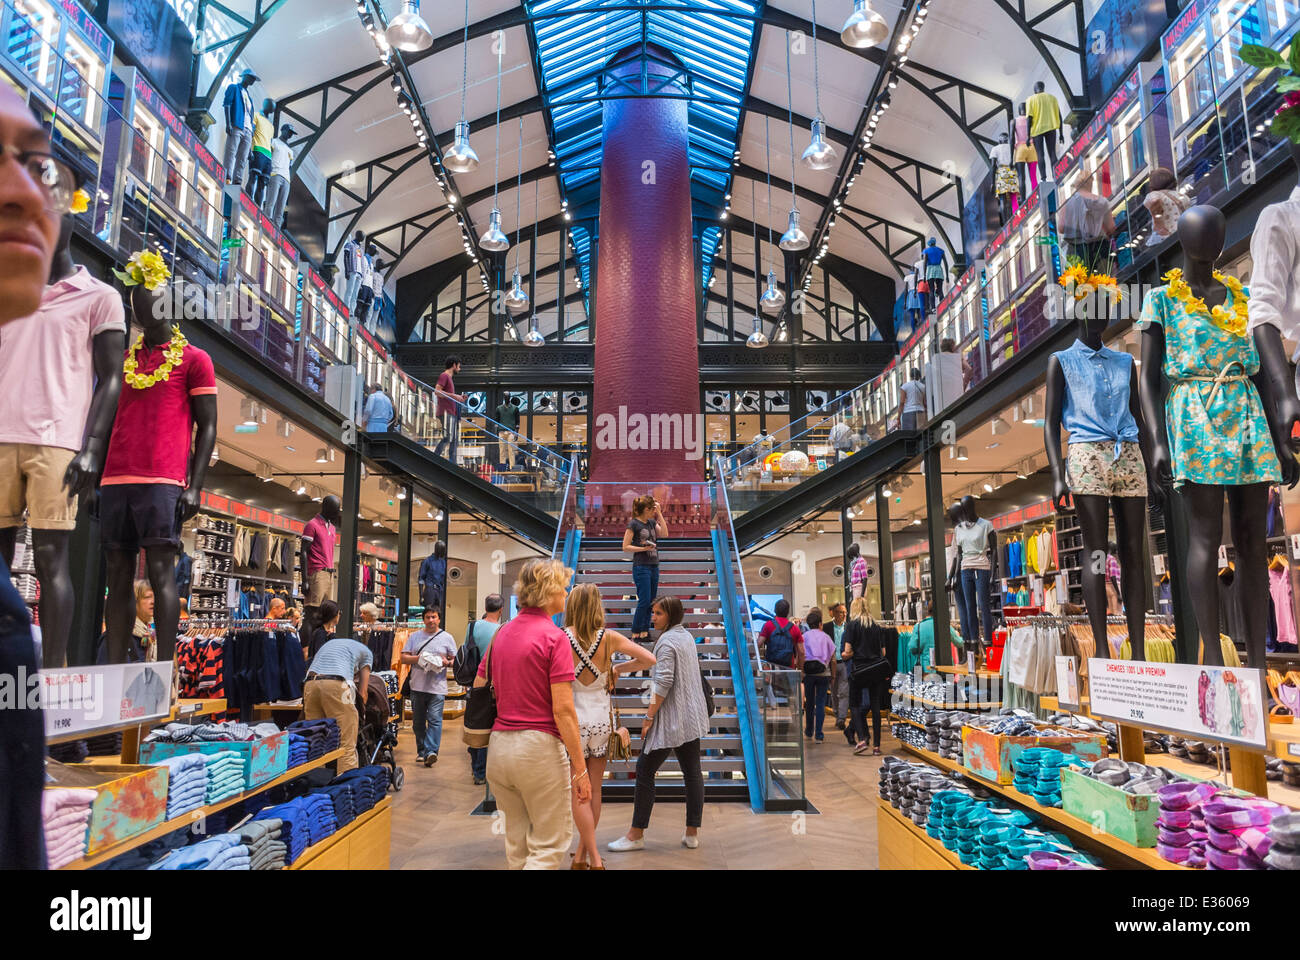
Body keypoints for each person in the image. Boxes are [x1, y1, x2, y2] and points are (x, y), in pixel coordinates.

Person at [474, 559, 589, 870]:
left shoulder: (501, 635)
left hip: (500, 748)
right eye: (562, 587)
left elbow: (479, 684)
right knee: (549, 846)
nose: (566, 593)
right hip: (538, 750)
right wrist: (580, 769)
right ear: (547, 591)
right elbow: (563, 710)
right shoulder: (555, 638)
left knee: (518, 845)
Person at [564, 583, 657, 870]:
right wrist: (617, 669)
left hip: (573, 720)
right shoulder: (609, 638)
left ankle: (585, 856)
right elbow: (649, 658)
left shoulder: (561, 638)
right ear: (597, 606)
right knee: (595, 788)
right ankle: (587, 855)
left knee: (577, 789)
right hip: (602, 722)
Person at [608, 596, 710, 853]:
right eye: (653, 612)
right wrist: (619, 668)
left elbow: (663, 682)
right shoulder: (684, 636)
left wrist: (649, 716)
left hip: (672, 720)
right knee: (692, 773)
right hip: (692, 717)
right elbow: (651, 661)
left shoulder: (666, 642)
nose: (653, 617)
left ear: (671, 615)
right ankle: (692, 833)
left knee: (644, 770)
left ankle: (636, 834)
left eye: (658, 613)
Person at [304, 634, 372, 772]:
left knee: (316, 739)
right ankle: (346, 784)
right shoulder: (367, 653)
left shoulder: (331, 644)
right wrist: (361, 713)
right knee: (346, 742)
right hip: (336, 685)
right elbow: (363, 692)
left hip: (310, 684)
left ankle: (316, 781)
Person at [400, 607, 457, 766]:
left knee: (435, 719)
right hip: (417, 687)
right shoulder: (414, 637)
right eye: (428, 617)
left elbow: (455, 660)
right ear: (423, 619)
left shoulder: (447, 637)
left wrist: (447, 662)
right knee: (418, 723)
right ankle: (422, 751)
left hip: (437, 687)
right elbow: (404, 658)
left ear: (439, 619)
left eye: (434, 617)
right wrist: (420, 658)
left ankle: (431, 751)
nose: (431, 620)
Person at [842, 597, 891, 756]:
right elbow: (883, 653)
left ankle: (862, 738)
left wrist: (847, 654)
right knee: (875, 706)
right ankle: (877, 746)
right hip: (876, 670)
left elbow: (848, 652)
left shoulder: (852, 626)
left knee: (854, 703)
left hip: (859, 670)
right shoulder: (877, 627)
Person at [465, 593, 504, 784]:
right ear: (501, 609)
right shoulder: (501, 630)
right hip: (492, 684)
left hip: (473, 681)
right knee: (488, 726)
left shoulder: (472, 626)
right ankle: (482, 770)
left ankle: (476, 768)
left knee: (475, 722)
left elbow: (466, 650)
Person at [622, 495, 667, 643]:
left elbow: (665, 534)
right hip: (641, 566)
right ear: (647, 509)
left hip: (654, 565)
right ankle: (636, 631)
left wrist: (660, 514)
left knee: (651, 601)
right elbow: (625, 547)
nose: (654, 511)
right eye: (653, 509)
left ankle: (644, 632)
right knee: (644, 600)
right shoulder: (634, 524)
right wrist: (643, 548)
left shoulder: (652, 522)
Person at [1057, 166, 1116, 273]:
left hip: (1076, 251)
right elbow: (1111, 228)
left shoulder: (1067, 204)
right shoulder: (1102, 201)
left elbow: (1061, 228)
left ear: (1076, 185)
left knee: (1081, 285)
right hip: (1100, 249)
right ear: (1091, 183)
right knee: (1104, 284)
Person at [801, 607, 835, 743]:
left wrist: (802, 670)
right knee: (820, 703)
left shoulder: (804, 637)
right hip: (823, 673)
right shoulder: (826, 637)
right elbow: (833, 659)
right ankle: (819, 735)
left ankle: (809, 731)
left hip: (809, 674)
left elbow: (801, 655)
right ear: (820, 624)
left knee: (809, 703)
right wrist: (833, 676)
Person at [910, 601, 962, 673]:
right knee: (947, 683)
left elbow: (912, 647)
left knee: (925, 683)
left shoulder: (918, 626)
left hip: (925, 668)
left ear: (928, 610)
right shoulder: (945, 626)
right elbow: (959, 643)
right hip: (945, 667)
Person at [433, 356, 465, 464]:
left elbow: (446, 395)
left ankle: (453, 463)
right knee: (448, 437)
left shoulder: (449, 378)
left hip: (451, 413)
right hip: (446, 413)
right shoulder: (444, 376)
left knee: (454, 440)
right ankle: (435, 457)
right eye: (459, 366)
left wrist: (459, 398)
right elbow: (437, 391)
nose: (459, 369)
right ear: (454, 365)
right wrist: (455, 396)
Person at [758, 598, 804, 670]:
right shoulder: (795, 628)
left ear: (775, 610)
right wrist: (801, 670)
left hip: (771, 668)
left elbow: (758, 644)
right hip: (789, 668)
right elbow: (801, 652)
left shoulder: (768, 625)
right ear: (788, 612)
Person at [828, 602, 850, 729]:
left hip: (845, 663)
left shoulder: (849, 627)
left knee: (844, 692)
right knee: (834, 691)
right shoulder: (826, 627)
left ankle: (841, 718)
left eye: (845, 612)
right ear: (835, 613)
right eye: (842, 612)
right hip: (831, 663)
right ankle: (837, 713)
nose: (844, 615)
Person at [133, 580, 155, 662]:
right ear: (135, 601)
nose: (153, 601)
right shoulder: (126, 632)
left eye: (154, 597)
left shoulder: (154, 628)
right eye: (147, 597)